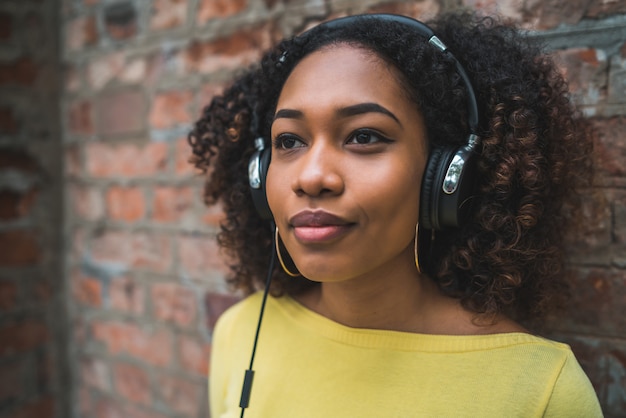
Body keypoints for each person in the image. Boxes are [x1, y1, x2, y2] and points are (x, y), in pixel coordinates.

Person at [188, 11, 603, 418]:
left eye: (364, 136)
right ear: (260, 177)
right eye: (290, 140)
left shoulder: (541, 391)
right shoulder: (240, 332)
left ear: (445, 175)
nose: (312, 177)